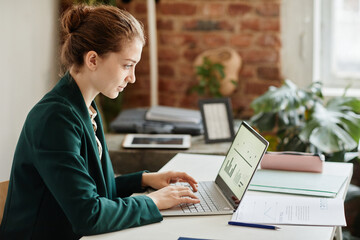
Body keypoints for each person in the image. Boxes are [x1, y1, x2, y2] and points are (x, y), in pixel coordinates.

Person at [0, 4, 200, 240]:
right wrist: (153, 201)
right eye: (127, 65)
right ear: (92, 60)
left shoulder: (86, 107)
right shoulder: (55, 119)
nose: (132, 78)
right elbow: (89, 215)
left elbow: (95, 189)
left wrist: (145, 179)